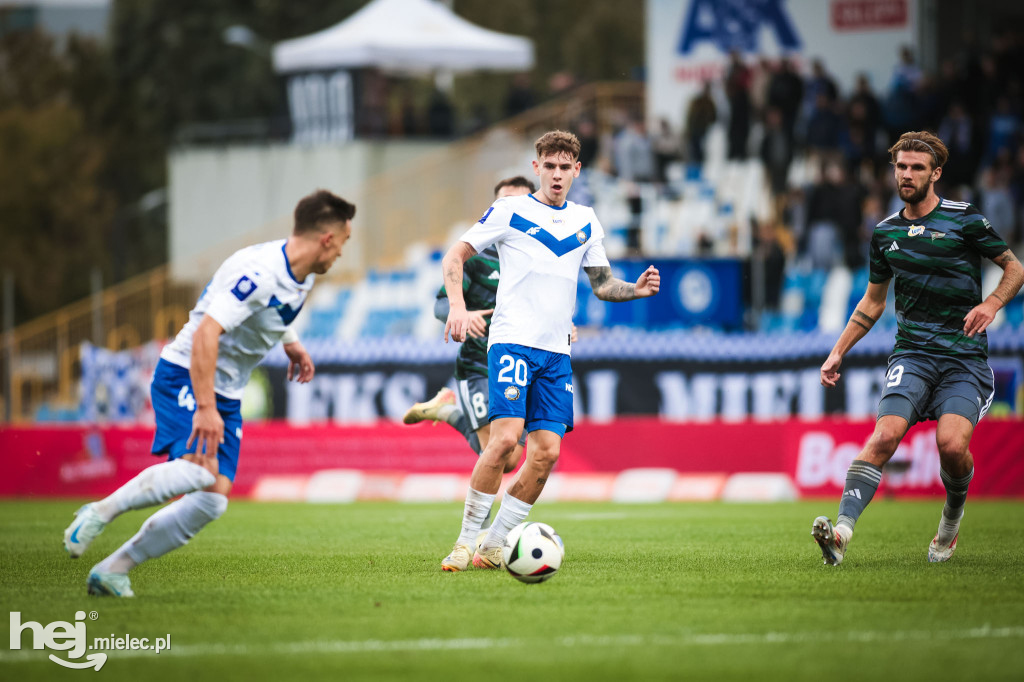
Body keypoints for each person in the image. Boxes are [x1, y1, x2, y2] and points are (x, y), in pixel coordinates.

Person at [62, 189, 356, 596]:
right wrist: (204, 407)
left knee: (211, 499)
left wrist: (291, 342)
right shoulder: (259, 273)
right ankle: (98, 512)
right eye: (343, 241)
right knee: (197, 469)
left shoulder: (299, 271)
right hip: (187, 374)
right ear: (327, 238)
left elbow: (272, 310)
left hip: (226, 391)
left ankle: (113, 569)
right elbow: (207, 332)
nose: (342, 252)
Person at [439, 130, 661, 572]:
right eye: (550, 166)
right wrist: (458, 308)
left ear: (578, 170)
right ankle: (464, 543)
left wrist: (633, 291)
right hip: (511, 343)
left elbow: (601, 285)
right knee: (504, 441)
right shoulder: (510, 210)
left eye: (566, 167)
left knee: (546, 452)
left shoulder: (586, 221)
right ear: (537, 167)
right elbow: (454, 256)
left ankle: (495, 544)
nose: (558, 175)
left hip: (556, 351)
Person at [813, 131, 1024, 566]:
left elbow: (1014, 268)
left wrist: (992, 302)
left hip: (964, 360)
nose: (906, 175)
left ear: (936, 173)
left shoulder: (965, 220)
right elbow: (873, 301)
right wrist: (839, 351)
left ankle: (949, 525)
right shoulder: (886, 232)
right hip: (912, 355)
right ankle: (841, 535)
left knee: (950, 445)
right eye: (901, 167)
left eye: (916, 168)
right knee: (885, 435)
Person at [402, 177, 538, 471]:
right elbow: (440, 305)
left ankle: (447, 411)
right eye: (505, 203)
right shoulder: (475, 256)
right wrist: (460, 312)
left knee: (510, 459)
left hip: (522, 364)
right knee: (495, 454)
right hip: (480, 364)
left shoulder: (538, 260)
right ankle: (479, 519)